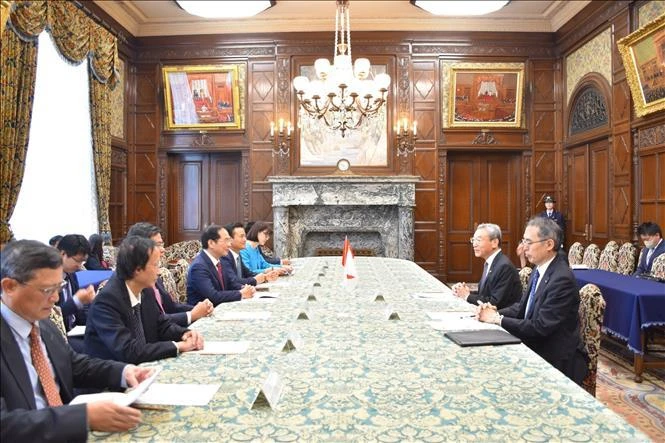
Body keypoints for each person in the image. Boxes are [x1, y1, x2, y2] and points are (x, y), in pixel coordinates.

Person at [1, 240, 154, 441]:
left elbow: (72, 364)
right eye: (47, 290)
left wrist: (123, 372)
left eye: (59, 287)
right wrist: (83, 417)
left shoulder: (41, 322)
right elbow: (5, 424)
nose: (56, 298)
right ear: (10, 286)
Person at [477, 217, 587, 386]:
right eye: (523, 241)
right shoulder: (540, 268)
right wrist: (495, 311)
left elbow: (540, 327)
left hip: (555, 357)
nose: (523, 247)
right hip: (537, 342)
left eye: (528, 242)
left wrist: (497, 319)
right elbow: (522, 308)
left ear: (549, 244)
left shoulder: (561, 279)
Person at [85, 236, 204, 364]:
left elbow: (161, 325)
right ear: (137, 269)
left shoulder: (145, 289)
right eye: (155, 265)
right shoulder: (107, 302)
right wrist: (178, 346)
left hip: (144, 367)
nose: (158, 271)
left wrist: (184, 334)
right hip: (115, 377)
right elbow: (129, 351)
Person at [126, 222, 213, 326]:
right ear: (140, 247)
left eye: (162, 244)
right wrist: (191, 315)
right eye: (157, 245)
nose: (163, 250)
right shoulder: (138, 281)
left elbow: (171, 307)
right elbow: (155, 322)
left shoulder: (155, 275)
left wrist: (201, 308)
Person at [451, 223, 521, 310]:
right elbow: (485, 294)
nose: (474, 244)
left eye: (478, 240)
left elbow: (495, 302)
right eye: (473, 240)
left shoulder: (504, 266)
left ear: (494, 243)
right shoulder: (491, 262)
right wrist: (464, 292)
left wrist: (467, 296)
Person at [187, 224, 255, 306]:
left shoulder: (220, 261)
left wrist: (244, 288)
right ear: (211, 243)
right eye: (226, 240)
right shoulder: (199, 267)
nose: (229, 244)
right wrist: (240, 294)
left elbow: (231, 284)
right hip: (204, 315)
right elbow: (213, 296)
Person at [56, 234, 95, 333]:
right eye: (77, 260)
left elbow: (80, 314)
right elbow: (53, 315)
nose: (79, 265)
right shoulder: (49, 280)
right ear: (62, 254)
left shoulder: (73, 275)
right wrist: (76, 301)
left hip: (75, 331)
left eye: (82, 261)